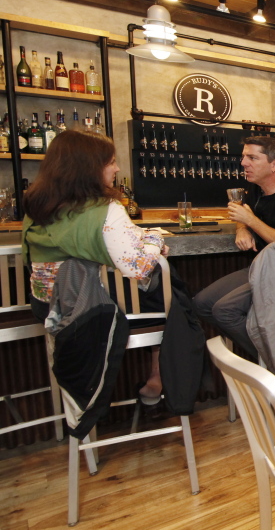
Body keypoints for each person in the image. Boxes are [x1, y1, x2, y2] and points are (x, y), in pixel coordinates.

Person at [21, 131, 169, 403]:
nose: (117, 168)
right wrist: (155, 238)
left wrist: (139, 237)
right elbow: (139, 268)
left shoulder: (35, 206)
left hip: (47, 307)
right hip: (90, 313)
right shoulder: (104, 209)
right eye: (110, 162)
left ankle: (158, 381)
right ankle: (163, 382)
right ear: (89, 167)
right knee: (174, 299)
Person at [193, 136, 275, 360]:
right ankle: (270, 354)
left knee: (224, 311)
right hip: (262, 267)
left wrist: (250, 221)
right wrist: (242, 227)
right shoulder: (256, 189)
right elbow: (243, 210)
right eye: (243, 157)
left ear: (274, 165)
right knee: (201, 304)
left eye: (252, 157)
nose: (243, 163)